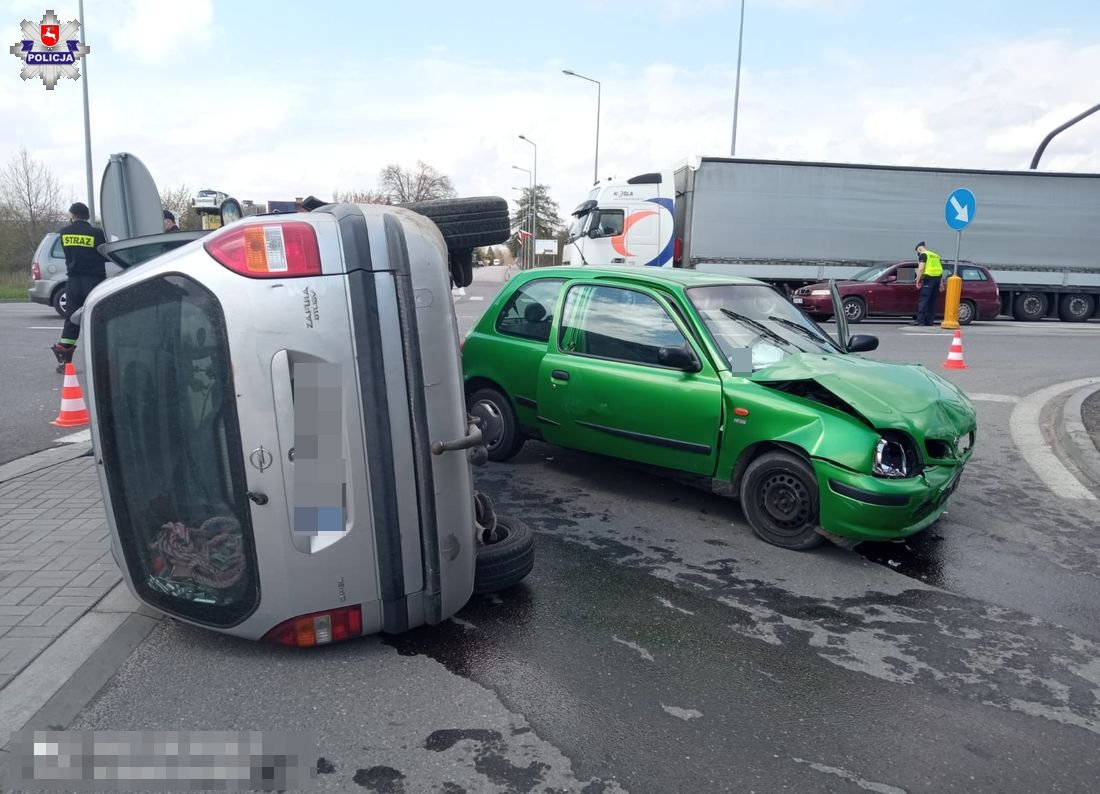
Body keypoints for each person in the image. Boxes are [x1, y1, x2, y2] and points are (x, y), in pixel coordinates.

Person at [51, 202, 108, 366]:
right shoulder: (97, 233)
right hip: (94, 281)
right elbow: (104, 254)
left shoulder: (64, 233)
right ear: (88, 216)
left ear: (72, 215)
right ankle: (102, 358)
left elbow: (68, 255)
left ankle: (64, 359)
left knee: (71, 319)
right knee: (98, 317)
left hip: (74, 282)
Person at [911, 241, 944, 326]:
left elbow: (921, 269)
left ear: (919, 249)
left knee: (924, 300)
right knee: (932, 301)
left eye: (917, 252)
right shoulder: (936, 256)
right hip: (937, 279)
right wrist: (941, 283)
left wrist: (917, 280)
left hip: (928, 279)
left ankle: (920, 321)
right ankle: (929, 321)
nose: (918, 254)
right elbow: (940, 270)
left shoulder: (924, 255)